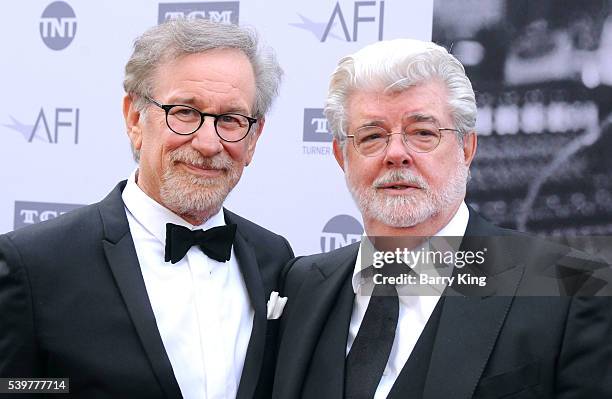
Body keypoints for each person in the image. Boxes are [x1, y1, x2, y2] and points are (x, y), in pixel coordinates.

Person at [272, 39, 612, 398]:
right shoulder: (303, 285)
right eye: (372, 136)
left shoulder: (575, 289)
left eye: (423, 133)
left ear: (467, 148)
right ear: (342, 156)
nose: (396, 154)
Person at [0, 19, 293, 399]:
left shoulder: (275, 258)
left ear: (253, 139)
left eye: (231, 120)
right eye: (185, 112)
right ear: (135, 118)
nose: (208, 142)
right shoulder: (35, 264)